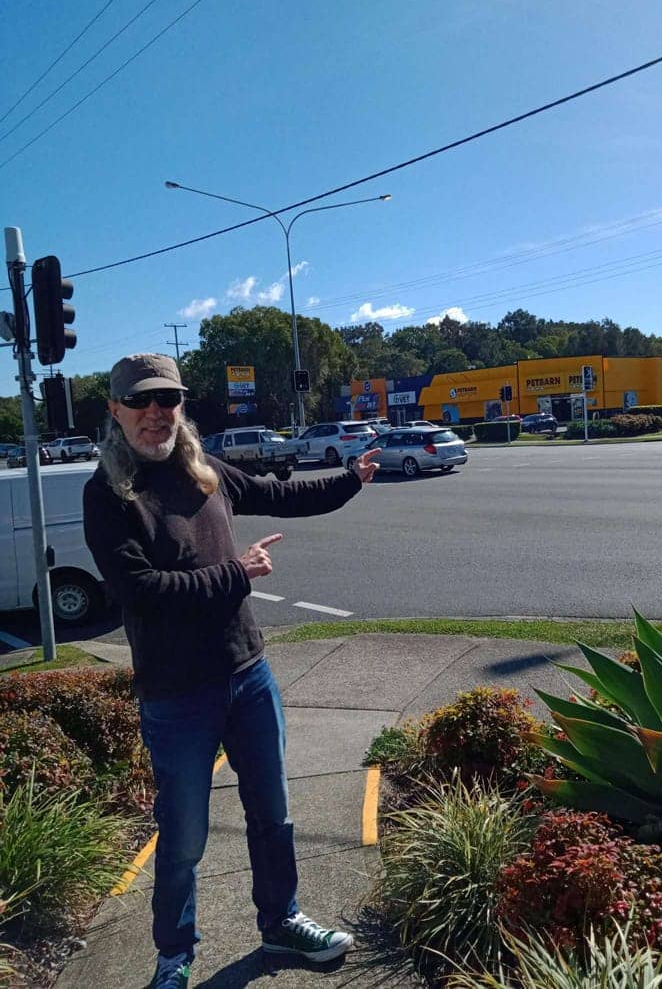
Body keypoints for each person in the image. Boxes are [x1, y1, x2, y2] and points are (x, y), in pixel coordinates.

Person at [83, 353, 379, 989]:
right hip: (176, 695)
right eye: (141, 402)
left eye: (168, 400)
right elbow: (141, 591)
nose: (156, 413)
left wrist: (349, 478)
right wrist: (235, 573)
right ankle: (173, 955)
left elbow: (278, 495)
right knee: (184, 838)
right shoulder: (107, 493)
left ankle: (281, 921)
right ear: (116, 411)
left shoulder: (206, 470)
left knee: (272, 812)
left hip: (248, 675)